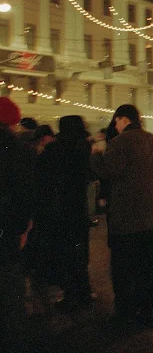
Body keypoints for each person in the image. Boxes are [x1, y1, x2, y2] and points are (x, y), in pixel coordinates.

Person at [90, 105, 153, 328]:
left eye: (116, 121)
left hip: (125, 219)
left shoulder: (121, 142)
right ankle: (148, 311)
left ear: (124, 119)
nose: (115, 125)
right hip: (150, 219)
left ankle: (125, 314)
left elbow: (107, 170)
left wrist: (96, 153)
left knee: (123, 270)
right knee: (148, 269)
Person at [35, 116, 94, 311]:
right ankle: (84, 293)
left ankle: (71, 296)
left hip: (60, 208)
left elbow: (41, 176)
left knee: (65, 254)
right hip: (79, 207)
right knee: (80, 253)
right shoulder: (84, 148)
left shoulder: (54, 149)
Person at [0, 97, 37, 351]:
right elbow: (27, 193)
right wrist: (24, 227)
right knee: (11, 280)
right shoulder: (21, 150)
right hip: (10, 227)